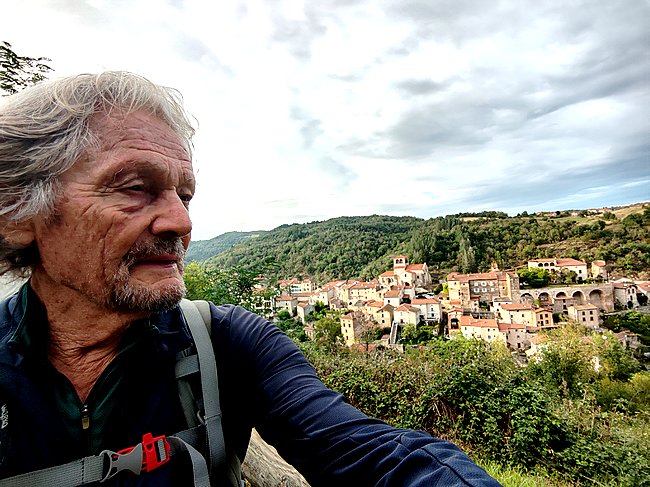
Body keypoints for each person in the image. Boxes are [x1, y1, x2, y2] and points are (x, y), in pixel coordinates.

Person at [0, 71, 501, 486]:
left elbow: (368, 452)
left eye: (185, 196)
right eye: (134, 187)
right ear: (18, 213)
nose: (181, 222)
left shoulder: (227, 342)